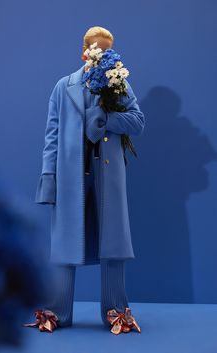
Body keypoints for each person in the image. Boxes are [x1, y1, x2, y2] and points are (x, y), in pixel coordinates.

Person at [24, 26, 145, 334]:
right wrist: (48, 178)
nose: (101, 56)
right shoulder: (63, 87)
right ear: (85, 50)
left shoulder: (119, 85)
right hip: (69, 175)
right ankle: (57, 311)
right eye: (96, 49)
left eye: (106, 51)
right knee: (65, 243)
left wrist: (107, 119)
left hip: (108, 174)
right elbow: (52, 136)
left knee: (113, 243)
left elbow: (137, 121)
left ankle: (116, 310)